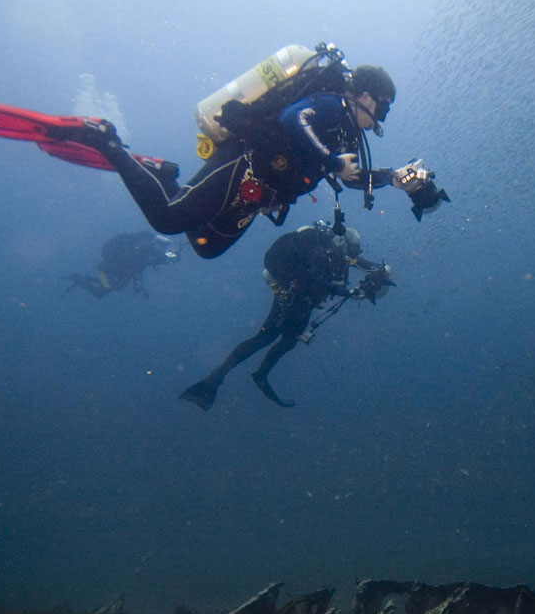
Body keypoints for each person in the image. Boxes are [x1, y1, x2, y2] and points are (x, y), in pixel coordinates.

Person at [50, 62, 398, 260]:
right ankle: (106, 139)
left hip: (260, 194)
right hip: (243, 165)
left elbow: (351, 178)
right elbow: (293, 119)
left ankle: (164, 177)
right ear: (365, 96)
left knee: (207, 246)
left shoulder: (347, 133)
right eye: (382, 107)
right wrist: (331, 159)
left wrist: (392, 178)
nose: (380, 117)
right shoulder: (329, 104)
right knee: (168, 219)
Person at [180, 222, 393, 411]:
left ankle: (257, 375)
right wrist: (347, 292)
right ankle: (217, 377)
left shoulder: (336, 254)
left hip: (303, 301)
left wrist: (381, 270)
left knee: (289, 341)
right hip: (292, 298)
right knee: (264, 338)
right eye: (350, 249)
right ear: (341, 242)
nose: (351, 255)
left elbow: (357, 262)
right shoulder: (322, 252)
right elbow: (314, 280)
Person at [64, 230, 180, 298]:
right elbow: (155, 261)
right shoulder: (140, 251)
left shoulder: (133, 249)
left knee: (108, 288)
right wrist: (173, 255)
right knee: (104, 291)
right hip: (105, 271)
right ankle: (80, 279)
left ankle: (82, 279)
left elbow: (143, 266)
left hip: (103, 270)